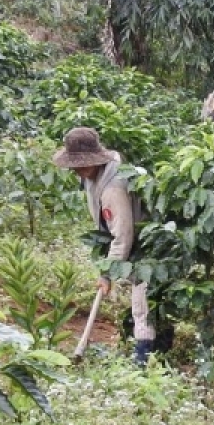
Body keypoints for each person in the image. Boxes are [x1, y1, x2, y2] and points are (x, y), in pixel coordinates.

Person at [52, 127, 155, 365]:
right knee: (143, 303)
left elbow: (123, 236)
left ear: (96, 160)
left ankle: (144, 362)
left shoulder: (114, 187)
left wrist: (107, 273)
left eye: (82, 165)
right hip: (130, 242)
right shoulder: (94, 175)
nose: (77, 171)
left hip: (147, 246)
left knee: (142, 305)